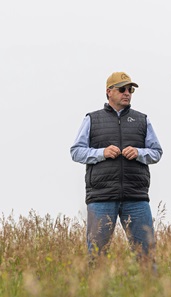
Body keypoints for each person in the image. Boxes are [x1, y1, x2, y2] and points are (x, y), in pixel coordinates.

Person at [70, 71, 163, 265]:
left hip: (136, 197)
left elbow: (156, 153)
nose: (127, 93)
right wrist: (101, 153)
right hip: (101, 197)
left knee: (146, 255)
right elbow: (76, 151)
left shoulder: (142, 120)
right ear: (109, 92)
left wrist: (139, 153)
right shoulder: (92, 119)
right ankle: (96, 294)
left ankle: (151, 293)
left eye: (130, 90)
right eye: (122, 89)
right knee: (96, 255)